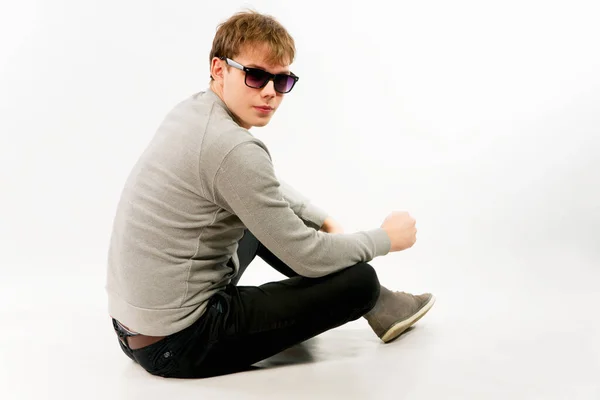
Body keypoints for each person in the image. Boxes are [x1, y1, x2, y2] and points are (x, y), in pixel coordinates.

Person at [106, 10, 435, 379]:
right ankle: (376, 301)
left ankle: (377, 308)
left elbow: (258, 190)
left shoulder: (192, 112)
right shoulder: (231, 148)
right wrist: (385, 239)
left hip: (132, 330)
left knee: (262, 222)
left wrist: (318, 216)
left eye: (281, 81)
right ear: (219, 69)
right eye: (256, 75)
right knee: (360, 282)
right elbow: (306, 254)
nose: (269, 93)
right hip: (178, 342)